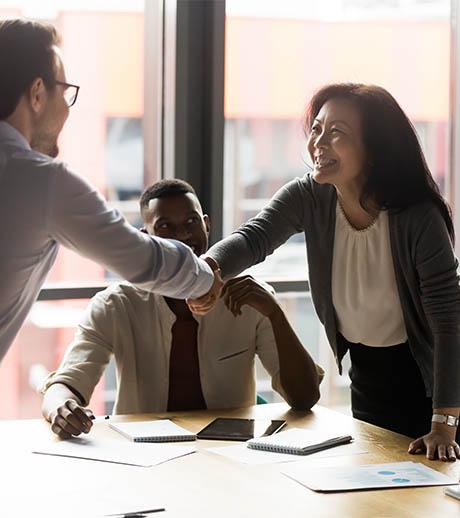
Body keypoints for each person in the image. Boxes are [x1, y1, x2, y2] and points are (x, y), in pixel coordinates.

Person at [189, 83, 460, 462]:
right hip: (367, 376)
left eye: (337, 133)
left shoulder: (417, 216)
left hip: (431, 385)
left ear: (375, 147)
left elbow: (448, 321)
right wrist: (209, 269)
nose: (319, 142)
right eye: (316, 129)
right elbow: (255, 237)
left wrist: (444, 422)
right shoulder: (310, 196)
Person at [0, 18, 222, 363]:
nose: (66, 109)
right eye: (65, 90)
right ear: (38, 93)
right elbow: (141, 259)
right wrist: (205, 279)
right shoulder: (41, 181)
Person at [41, 179, 323, 438]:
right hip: (144, 457)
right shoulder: (115, 305)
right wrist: (61, 408)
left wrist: (275, 313)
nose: (182, 236)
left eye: (191, 222)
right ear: (144, 237)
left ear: (207, 226)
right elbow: (67, 383)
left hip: (228, 457)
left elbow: (305, 398)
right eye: (165, 227)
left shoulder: (249, 298)